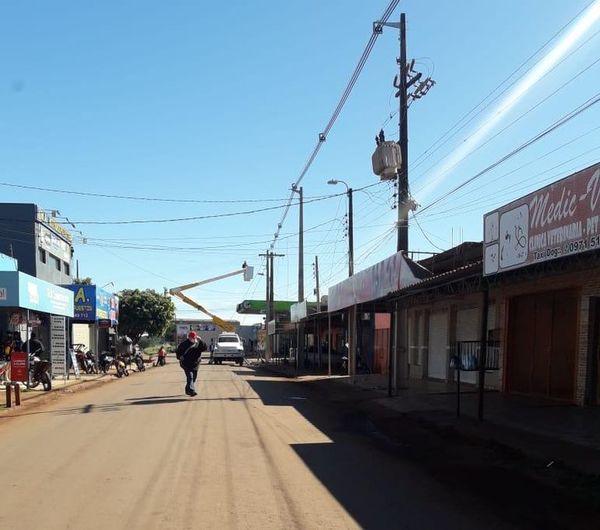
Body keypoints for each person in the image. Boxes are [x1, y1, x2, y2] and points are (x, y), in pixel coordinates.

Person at [176, 331, 207, 397]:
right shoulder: (184, 344)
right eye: (191, 337)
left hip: (195, 364)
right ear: (188, 337)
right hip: (186, 363)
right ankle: (191, 391)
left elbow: (204, 348)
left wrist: (201, 341)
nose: (192, 339)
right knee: (190, 377)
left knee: (194, 378)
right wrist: (179, 357)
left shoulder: (198, 343)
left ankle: (188, 389)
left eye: (194, 337)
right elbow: (178, 352)